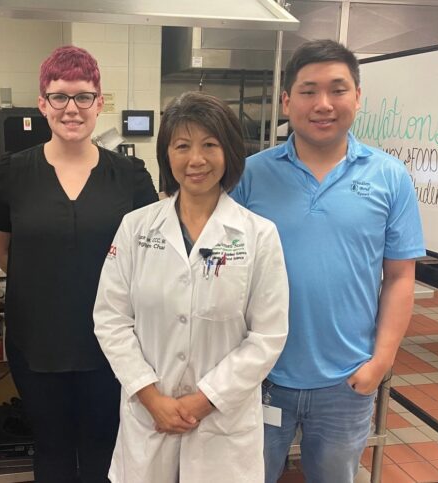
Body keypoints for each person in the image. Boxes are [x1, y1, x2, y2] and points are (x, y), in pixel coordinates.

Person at [231, 39, 426, 483]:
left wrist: (380, 363)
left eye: (337, 90)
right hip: (261, 378)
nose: (323, 104)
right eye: (307, 90)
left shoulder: (388, 176)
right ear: (286, 101)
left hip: (346, 381)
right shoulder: (250, 175)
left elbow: (399, 277)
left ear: (358, 96)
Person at [0, 45, 158, 482]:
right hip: (37, 345)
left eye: (83, 96)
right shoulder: (11, 174)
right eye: (59, 96)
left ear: (99, 102)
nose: (71, 108)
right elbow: (1, 248)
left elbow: (147, 251)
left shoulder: (129, 177)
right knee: (53, 452)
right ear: (43, 103)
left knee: (105, 449)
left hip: (112, 347)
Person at [93, 91, 289, 483]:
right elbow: (110, 319)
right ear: (167, 154)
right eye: (182, 146)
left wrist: (203, 401)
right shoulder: (136, 227)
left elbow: (268, 335)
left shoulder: (258, 235)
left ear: (229, 151)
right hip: (150, 417)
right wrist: (151, 398)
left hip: (222, 423)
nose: (195, 159)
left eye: (209, 145)